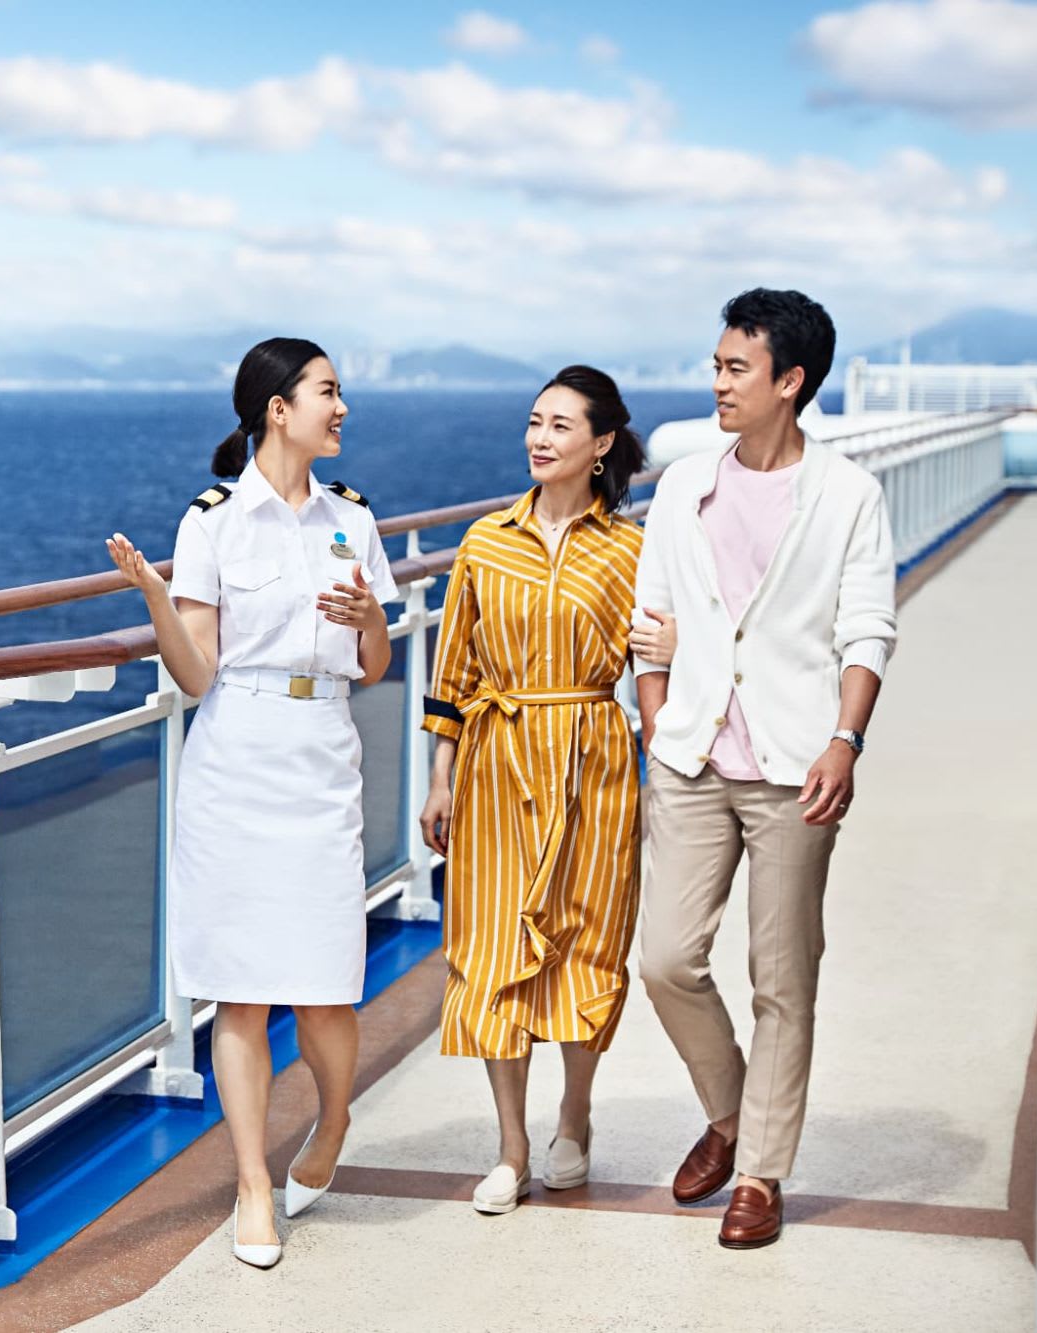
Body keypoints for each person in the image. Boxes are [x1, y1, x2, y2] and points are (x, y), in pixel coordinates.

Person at [106, 337, 398, 1269]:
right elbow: (197, 674)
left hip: (322, 754)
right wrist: (157, 598)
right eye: (327, 392)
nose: (340, 408)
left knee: (326, 988)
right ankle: (251, 1184)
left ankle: (333, 1119)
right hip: (236, 755)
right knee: (241, 989)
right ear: (279, 408)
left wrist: (373, 622)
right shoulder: (214, 522)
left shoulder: (353, 517)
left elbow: (374, 665)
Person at [634, 288, 896, 1249]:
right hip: (692, 756)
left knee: (783, 977)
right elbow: (652, 615)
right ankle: (734, 1112)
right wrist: (657, 718)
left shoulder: (848, 494)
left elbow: (868, 629)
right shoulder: (682, 485)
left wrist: (845, 739)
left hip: (796, 765)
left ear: (790, 381)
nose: (718, 383)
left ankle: (760, 1172)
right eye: (716, 365)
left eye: (735, 368)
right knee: (667, 959)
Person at [417, 366, 670, 1215]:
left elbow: (658, 663)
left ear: (601, 444)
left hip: (595, 760)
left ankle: (575, 1113)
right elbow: (453, 670)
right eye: (534, 421)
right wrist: (440, 778)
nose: (540, 437)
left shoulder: (632, 550)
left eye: (561, 425)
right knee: (491, 947)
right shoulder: (485, 542)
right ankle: (510, 1147)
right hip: (496, 761)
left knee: (588, 941)